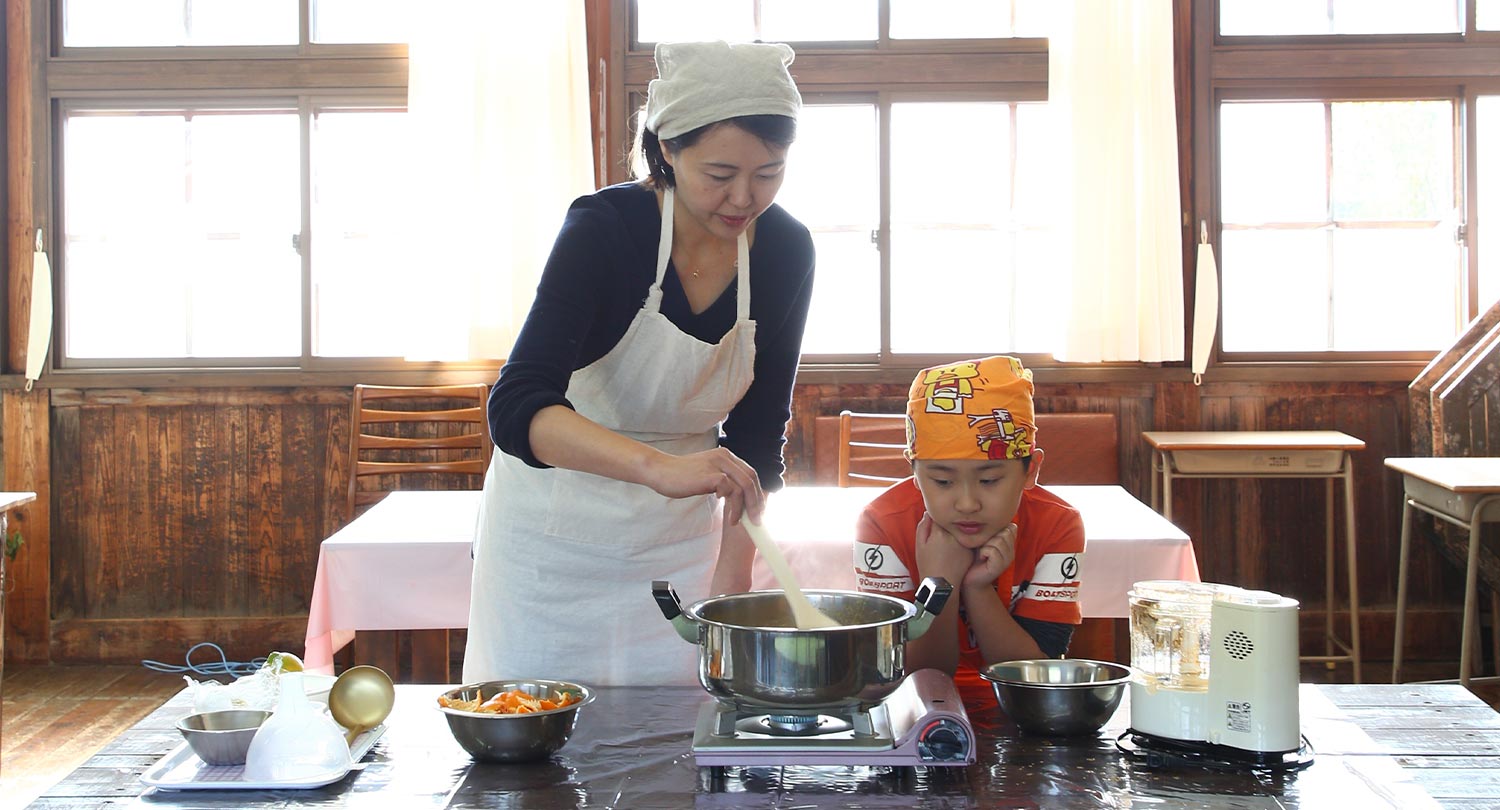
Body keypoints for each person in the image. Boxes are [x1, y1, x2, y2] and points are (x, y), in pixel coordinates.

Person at [464, 40, 815, 687]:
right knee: (541, 750)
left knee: (676, 748)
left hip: (679, 546)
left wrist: (731, 578)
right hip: (553, 538)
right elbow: (516, 407)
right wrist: (659, 468)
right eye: (719, 174)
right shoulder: (606, 229)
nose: (743, 198)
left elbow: (760, 438)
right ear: (667, 150)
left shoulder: (785, 250)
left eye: (768, 173)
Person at [853, 356, 1085, 709]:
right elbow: (911, 674)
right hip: (914, 709)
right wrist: (939, 582)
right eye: (942, 481)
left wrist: (978, 588)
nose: (966, 503)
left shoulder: (1057, 525)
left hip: (1020, 710)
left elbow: (1034, 674)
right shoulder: (882, 524)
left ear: (1030, 471)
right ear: (914, 472)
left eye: (989, 480)